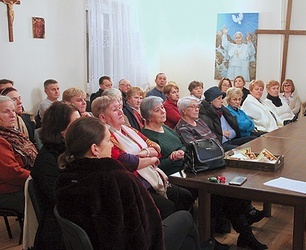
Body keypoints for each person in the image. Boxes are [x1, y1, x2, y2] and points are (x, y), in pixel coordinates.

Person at [55, 117, 211, 250]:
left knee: (185, 239)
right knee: (185, 219)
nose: (112, 145)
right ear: (95, 149)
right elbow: (143, 228)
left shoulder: (65, 178)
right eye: (108, 140)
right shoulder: (116, 178)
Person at [175, 96, 267, 250]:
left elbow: (215, 140)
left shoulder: (200, 122)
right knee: (224, 194)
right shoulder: (183, 128)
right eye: (193, 107)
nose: (197, 109)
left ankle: (246, 234)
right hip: (200, 171)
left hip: (214, 163)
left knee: (233, 189)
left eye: (197, 106)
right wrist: (209, 143)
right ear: (184, 111)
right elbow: (197, 148)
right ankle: (243, 234)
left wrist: (209, 144)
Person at [92, 96, 191, 219]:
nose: (120, 112)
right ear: (102, 117)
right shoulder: (106, 136)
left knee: (185, 196)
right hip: (138, 183)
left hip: (152, 176)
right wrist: (152, 159)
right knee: (168, 207)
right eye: (114, 110)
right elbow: (126, 161)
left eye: (120, 108)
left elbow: (156, 148)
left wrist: (144, 153)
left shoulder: (128, 129)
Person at [30, 102, 80, 249]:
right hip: (62, 225)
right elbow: (63, 199)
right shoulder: (48, 159)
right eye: (76, 124)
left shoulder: (71, 150)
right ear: (61, 131)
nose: (81, 128)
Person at [0, 96, 37, 214]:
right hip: (10, 191)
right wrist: (37, 176)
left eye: (13, 111)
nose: (12, 115)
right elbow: (13, 174)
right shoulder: (2, 140)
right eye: (6, 112)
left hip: (27, 182)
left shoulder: (15, 133)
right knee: (50, 197)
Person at [199, 86, 256, 151]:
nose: (222, 101)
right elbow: (214, 135)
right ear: (211, 101)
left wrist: (227, 133)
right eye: (219, 99)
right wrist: (222, 133)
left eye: (221, 98)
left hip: (229, 140)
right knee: (241, 150)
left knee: (253, 140)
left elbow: (234, 132)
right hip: (219, 144)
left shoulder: (222, 111)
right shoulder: (205, 115)